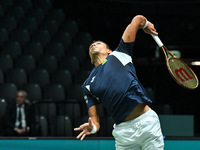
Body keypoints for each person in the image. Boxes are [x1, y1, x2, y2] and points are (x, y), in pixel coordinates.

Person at [74, 15, 164, 150]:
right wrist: (92, 128)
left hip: (146, 123)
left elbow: (138, 19)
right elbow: (95, 122)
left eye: (99, 43)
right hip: (123, 133)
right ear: (91, 60)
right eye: (91, 45)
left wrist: (146, 25)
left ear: (109, 51)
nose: (94, 44)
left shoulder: (120, 54)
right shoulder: (87, 85)